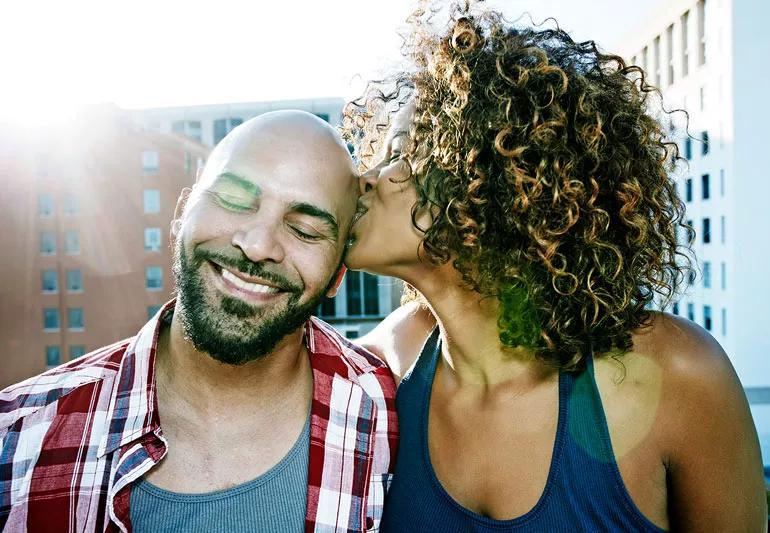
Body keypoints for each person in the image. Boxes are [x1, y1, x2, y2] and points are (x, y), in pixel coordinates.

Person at [342, 2, 767, 531]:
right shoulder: (387, 362)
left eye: (400, 156)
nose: (367, 178)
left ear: (494, 182)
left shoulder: (678, 375)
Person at [0, 111, 397, 533]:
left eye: (305, 230)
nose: (257, 245)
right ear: (181, 214)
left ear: (338, 274)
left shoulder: (387, 418)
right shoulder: (17, 438)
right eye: (233, 201)